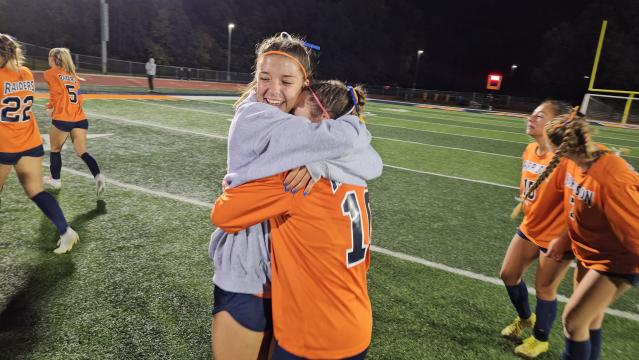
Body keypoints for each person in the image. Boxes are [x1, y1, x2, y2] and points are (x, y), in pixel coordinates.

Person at [209, 32, 381, 360]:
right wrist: (339, 142)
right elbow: (365, 154)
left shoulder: (306, 145)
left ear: (305, 85)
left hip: (289, 282)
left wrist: (318, 162)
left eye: (286, 81)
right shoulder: (257, 118)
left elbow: (365, 155)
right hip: (249, 271)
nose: (272, 91)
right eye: (263, 78)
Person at [525, 109, 639, 360]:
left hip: (617, 260)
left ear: (563, 149)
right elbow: (577, 203)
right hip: (591, 252)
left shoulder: (612, 179)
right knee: (590, 320)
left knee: (574, 321)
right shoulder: (581, 160)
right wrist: (565, 237)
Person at [499, 100, 574, 358]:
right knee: (508, 274)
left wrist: (564, 239)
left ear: (555, 125)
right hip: (530, 227)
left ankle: (540, 339)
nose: (531, 118)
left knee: (545, 289)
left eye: (539, 116)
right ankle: (526, 318)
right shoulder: (530, 149)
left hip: (556, 236)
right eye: (532, 114)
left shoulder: (566, 160)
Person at [0, 34, 79, 254]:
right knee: (36, 191)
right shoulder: (25, 73)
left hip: (4, 145)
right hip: (30, 142)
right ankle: (65, 231)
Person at [43, 48, 105, 199]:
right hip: (80, 119)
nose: (48, 58)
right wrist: (53, 105)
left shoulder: (49, 73)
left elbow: (55, 93)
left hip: (63, 118)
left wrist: (51, 106)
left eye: (50, 56)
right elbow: (76, 96)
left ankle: (55, 180)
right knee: (82, 152)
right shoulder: (73, 76)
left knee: (55, 149)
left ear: (54, 58)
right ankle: (98, 176)